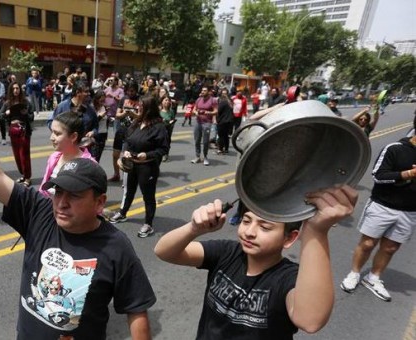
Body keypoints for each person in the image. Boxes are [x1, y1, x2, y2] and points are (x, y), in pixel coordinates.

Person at [0, 71, 156, 339]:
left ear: (99, 203)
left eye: (74, 195)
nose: (61, 203)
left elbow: (136, 311)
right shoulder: (40, 211)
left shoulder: (116, 246)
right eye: (58, 192)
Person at [154, 185, 358, 339]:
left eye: (265, 227)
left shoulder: (288, 278)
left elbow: (311, 321)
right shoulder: (227, 252)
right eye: (246, 220)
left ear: (289, 238)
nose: (250, 232)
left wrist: (317, 230)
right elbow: (164, 251)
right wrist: (194, 229)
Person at [339, 128, 416, 302]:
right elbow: (378, 176)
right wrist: (408, 174)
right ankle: (354, 273)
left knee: (390, 248)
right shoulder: (395, 149)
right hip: (383, 206)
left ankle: (373, 277)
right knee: (367, 243)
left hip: (410, 211)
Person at [109, 95, 168, 238]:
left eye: (141, 106)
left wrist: (147, 155)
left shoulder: (159, 127)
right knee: (129, 191)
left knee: (148, 196)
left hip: (147, 167)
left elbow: (163, 149)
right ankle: (123, 213)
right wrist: (126, 151)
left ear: (149, 108)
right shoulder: (136, 122)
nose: (138, 107)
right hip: (132, 164)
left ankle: (148, 224)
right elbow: (128, 140)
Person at [40, 111, 94, 197]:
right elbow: (43, 190)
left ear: (73, 137)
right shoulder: (54, 157)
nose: (51, 138)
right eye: (52, 132)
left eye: (57, 134)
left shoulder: (89, 166)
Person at [0, 81, 34, 186]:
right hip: (13, 130)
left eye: (17, 88)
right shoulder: (7, 103)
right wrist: (6, 113)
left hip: (24, 130)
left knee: (24, 154)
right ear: (11, 90)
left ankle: (28, 178)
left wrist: (26, 114)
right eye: (14, 89)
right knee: (17, 155)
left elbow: (31, 116)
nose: (16, 90)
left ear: (20, 90)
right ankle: (23, 175)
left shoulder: (26, 102)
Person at [110, 81, 141, 182]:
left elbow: (142, 116)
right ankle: (116, 174)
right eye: (128, 90)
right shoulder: (123, 99)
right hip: (121, 130)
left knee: (127, 156)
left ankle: (127, 178)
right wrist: (124, 113)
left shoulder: (140, 100)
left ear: (136, 91)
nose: (130, 92)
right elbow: (117, 115)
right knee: (115, 154)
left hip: (133, 131)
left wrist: (133, 115)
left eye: (132, 91)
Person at [191, 86, 218, 166]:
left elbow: (216, 111)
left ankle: (205, 157)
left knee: (206, 141)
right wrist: (195, 112)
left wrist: (207, 113)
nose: (203, 92)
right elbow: (194, 109)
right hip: (198, 122)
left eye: (205, 90)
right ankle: (197, 156)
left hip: (207, 123)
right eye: (202, 90)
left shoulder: (212, 100)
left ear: (209, 92)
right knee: (197, 140)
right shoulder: (198, 99)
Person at [90, 90, 109, 163]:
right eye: (101, 100)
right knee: (93, 157)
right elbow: (92, 122)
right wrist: (100, 116)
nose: (102, 102)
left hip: (103, 134)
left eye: (104, 100)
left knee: (98, 157)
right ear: (96, 99)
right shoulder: (92, 108)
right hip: (95, 134)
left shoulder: (104, 107)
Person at [216, 89, 234, 155]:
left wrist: (217, 119)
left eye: (224, 93)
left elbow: (218, 111)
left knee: (221, 136)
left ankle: (220, 149)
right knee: (226, 136)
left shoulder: (222, 102)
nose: (223, 94)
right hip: (229, 121)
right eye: (223, 93)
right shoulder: (230, 101)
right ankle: (226, 149)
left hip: (223, 121)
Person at [159, 94, 176, 162]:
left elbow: (173, 119)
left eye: (168, 100)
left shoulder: (171, 111)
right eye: (165, 100)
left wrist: (171, 122)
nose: (167, 102)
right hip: (160, 129)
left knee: (167, 142)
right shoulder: (159, 111)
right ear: (162, 101)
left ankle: (165, 154)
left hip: (168, 129)